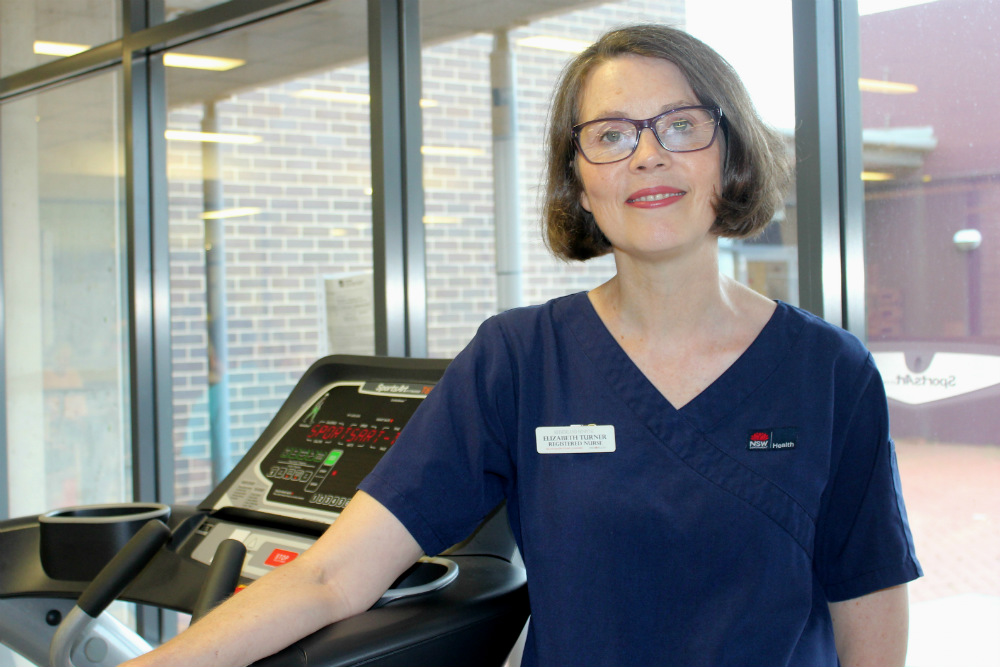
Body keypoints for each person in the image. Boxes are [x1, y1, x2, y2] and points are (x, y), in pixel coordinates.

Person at [127, 23, 921, 667]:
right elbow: (336, 574)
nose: (649, 153)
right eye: (611, 134)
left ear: (731, 152)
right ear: (578, 181)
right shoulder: (519, 358)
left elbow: (869, 603)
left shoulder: (828, 370)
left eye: (681, 125)